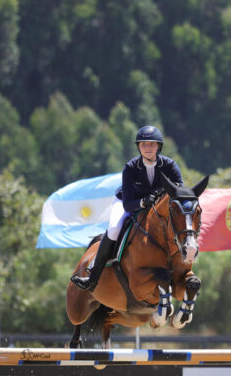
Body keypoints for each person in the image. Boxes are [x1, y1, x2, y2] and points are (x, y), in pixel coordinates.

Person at [70, 125, 184, 291]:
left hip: (158, 207)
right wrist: (143, 202)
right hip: (129, 203)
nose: (148, 148)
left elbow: (179, 189)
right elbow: (128, 203)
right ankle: (93, 276)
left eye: (152, 144)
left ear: (158, 146)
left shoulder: (170, 165)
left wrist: (159, 192)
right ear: (138, 147)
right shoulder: (130, 168)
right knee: (115, 228)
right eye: (144, 144)